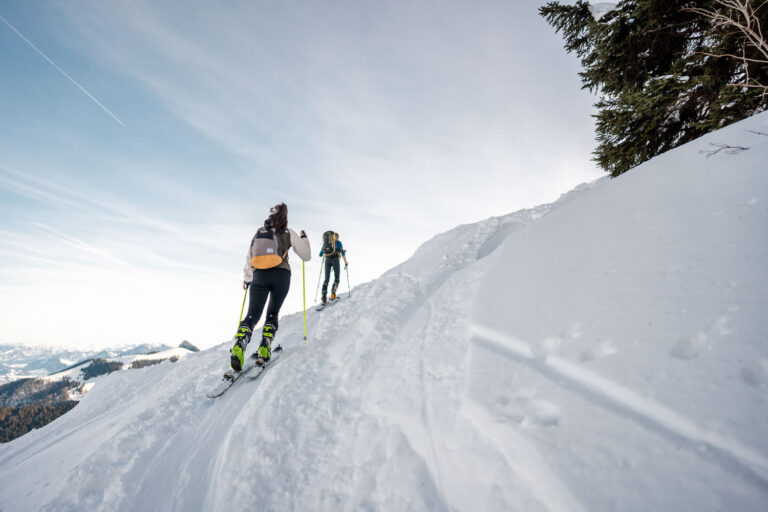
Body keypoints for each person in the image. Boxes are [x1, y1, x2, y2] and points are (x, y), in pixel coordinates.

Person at [230, 203, 311, 371]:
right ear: (285, 216)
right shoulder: (288, 232)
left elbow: (250, 257)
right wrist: (305, 239)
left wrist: (247, 279)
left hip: (260, 275)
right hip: (282, 275)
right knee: (272, 313)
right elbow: (306, 256)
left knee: (252, 315)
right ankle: (264, 347)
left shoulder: (260, 232)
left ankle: (239, 345)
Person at [319, 231, 348, 306]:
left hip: (327, 261)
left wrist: (324, 252)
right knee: (337, 278)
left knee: (326, 280)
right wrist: (346, 262)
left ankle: (324, 298)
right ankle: (333, 293)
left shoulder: (326, 243)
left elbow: (320, 254)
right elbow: (343, 253)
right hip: (335, 260)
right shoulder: (338, 243)